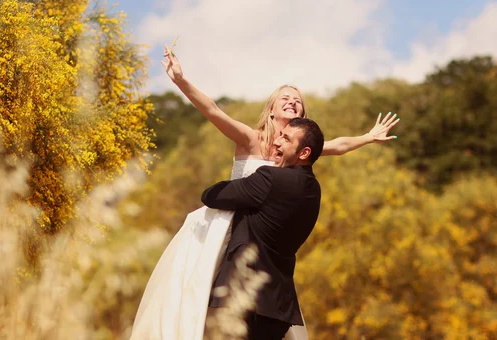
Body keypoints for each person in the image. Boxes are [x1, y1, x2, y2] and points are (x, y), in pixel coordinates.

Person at [130, 46, 399, 340]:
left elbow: (338, 145)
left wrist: (368, 137)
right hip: (224, 229)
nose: (291, 102)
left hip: (261, 243)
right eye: (284, 98)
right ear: (271, 109)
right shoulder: (250, 139)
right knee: (194, 305)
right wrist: (180, 80)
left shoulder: (301, 153)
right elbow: (212, 110)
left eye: (297, 101)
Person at [202, 117, 324, 340]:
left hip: (246, 298)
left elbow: (211, 196)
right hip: (279, 305)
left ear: (304, 153)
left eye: (286, 139)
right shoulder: (315, 190)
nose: (277, 141)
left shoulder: (270, 178)